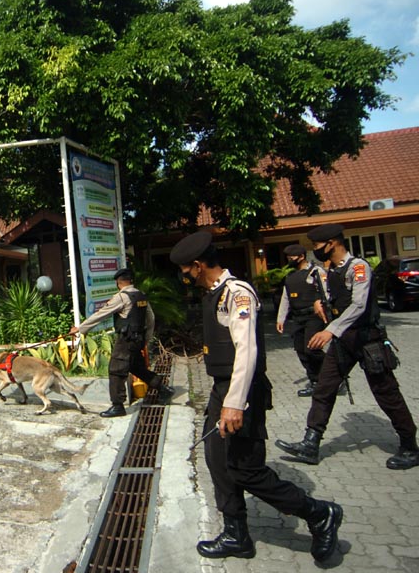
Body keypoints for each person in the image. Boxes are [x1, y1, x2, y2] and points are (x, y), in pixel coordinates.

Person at [170, 230, 342, 563]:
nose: (184, 277)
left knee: (246, 469)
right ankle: (237, 535)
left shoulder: (238, 294)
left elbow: (246, 351)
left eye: (186, 270)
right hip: (223, 388)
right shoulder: (213, 294)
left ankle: (319, 514)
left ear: (197, 264)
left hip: (243, 391)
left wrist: (235, 403)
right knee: (218, 461)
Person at [275, 223, 418, 469]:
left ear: (332, 243)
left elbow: (359, 305)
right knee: (324, 388)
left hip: (366, 339)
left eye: (318, 246)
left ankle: (410, 445)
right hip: (344, 341)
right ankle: (310, 443)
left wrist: (330, 330)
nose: (315, 250)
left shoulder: (358, 268)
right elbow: (336, 298)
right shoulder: (332, 271)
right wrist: (322, 303)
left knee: (386, 393)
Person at [69, 268, 171, 418]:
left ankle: (118, 406)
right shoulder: (141, 295)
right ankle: (162, 389)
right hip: (138, 339)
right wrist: (146, 339)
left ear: (118, 282)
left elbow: (101, 314)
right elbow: (151, 319)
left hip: (126, 340)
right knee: (135, 367)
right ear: (131, 280)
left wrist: (81, 328)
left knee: (116, 370)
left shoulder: (122, 297)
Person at [276, 244, 328, 397]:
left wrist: (324, 307)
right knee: (301, 350)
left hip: (314, 316)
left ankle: (331, 374)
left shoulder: (316, 272)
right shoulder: (290, 277)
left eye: (291, 257)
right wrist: (281, 318)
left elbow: (326, 292)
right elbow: (285, 298)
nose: (289, 260)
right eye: (287, 257)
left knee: (311, 349)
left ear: (301, 256)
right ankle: (315, 381)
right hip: (298, 317)